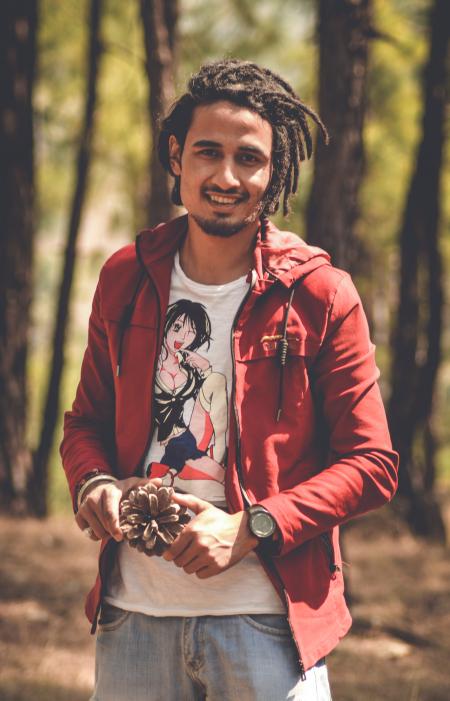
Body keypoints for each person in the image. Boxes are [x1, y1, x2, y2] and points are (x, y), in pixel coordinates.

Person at [61, 59, 398, 701]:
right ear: (175, 156)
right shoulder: (125, 277)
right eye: (207, 152)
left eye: (249, 158)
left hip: (267, 625)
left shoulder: (322, 294)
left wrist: (250, 528)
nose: (226, 176)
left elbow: (372, 463)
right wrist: (95, 482)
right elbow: (84, 423)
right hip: (133, 621)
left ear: (273, 173)